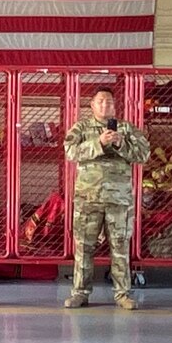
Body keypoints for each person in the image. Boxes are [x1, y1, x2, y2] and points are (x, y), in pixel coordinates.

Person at [62, 88, 152, 309]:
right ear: (91, 105)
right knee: (84, 247)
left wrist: (122, 144)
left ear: (115, 106)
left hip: (118, 200)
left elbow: (144, 155)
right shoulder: (81, 128)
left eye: (109, 102)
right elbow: (70, 152)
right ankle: (80, 292)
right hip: (88, 198)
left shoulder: (126, 128)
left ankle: (122, 294)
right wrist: (99, 143)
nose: (105, 105)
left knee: (120, 247)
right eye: (100, 101)